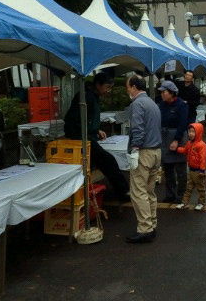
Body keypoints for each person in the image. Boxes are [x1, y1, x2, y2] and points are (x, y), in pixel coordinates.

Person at [63, 72, 130, 201]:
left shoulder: (93, 96)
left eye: (110, 88)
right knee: (108, 160)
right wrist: (86, 133)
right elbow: (74, 120)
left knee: (104, 162)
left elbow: (87, 118)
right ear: (98, 85)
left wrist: (97, 129)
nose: (108, 91)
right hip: (81, 137)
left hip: (89, 135)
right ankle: (123, 193)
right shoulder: (85, 97)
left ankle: (117, 192)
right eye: (107, 87)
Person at [125, 75, 162, 243]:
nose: (127, 90)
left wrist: (134, 149)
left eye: (128, 87)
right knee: (149, 191)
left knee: (138, 192)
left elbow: (138, 129)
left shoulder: (137, 103)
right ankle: (152, 225)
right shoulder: (152, 103)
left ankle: (145, 229)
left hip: (144, 152)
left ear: (134, 87)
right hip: (156, 152)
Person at [157, 80, 189, 204]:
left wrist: (176, 140)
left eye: (164, 92)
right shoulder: (161, 105)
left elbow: (183, 124)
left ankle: (181, 195)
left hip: (178, 137)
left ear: (171, 93)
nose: (162, 94)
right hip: (165, 138)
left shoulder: (181, 105)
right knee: (168, 168)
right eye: (161, 92)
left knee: (180, 170)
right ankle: (170, 195)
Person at [174, 122, 206, 211]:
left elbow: (203, 159)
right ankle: (185, 203)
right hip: (191, 169)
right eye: (189, 131)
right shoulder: (189, 143)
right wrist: (177, 149)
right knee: (188, 188)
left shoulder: (202, 145)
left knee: (200, 188)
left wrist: (202, 170)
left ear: (198, 132)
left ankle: (201, 203)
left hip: (198, 171)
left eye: (193, 132)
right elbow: (185, 150)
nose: (190, 134)